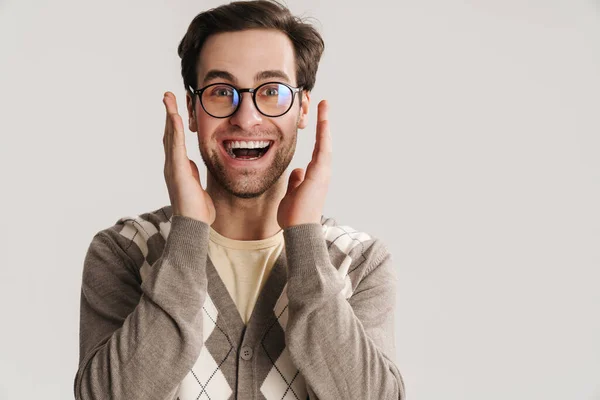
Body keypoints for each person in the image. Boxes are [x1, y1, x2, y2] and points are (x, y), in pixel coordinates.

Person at [73, 1, 405, 399]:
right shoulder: (126, 250)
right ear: (193, 110)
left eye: (271, 91)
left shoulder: (357, 261)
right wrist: (188, 233)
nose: (246, 118)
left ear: (301, 107)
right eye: (220, 92)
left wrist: (305, 238)